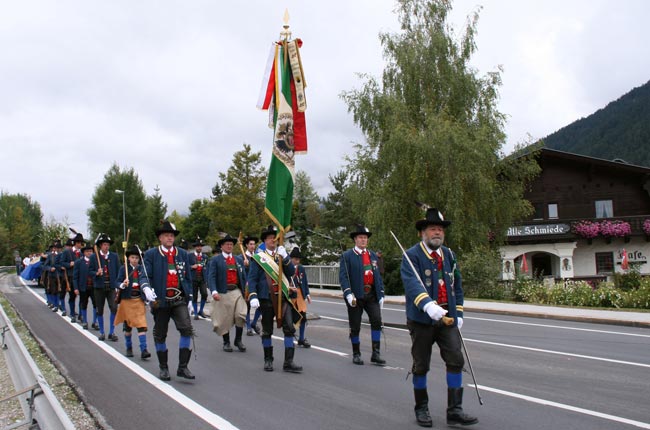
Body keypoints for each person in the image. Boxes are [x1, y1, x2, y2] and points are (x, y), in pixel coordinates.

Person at [401, 208, 478, 427]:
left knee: (456, 360)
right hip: (422, 319)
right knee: (421, 365)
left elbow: (457, 285)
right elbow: (412, 284)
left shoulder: (450, 255)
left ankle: (455, 411)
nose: (437, 233)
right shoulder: (411, 255)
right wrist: (427, 305)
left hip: (448, 320)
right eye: (433, 228)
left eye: (440, 229)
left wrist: (459, 312)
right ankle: (421, 408)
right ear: (422, 233)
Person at [142, 220, 195, 381]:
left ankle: (183, 367)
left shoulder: (183, 254)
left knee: (187, 329)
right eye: (166, 235)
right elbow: (145, 275)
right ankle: (163, 368)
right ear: (160, 238)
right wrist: (146, 288)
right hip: (161, 300)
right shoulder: (151, 254)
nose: (170, 238)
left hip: (179, 298)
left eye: (171, 235)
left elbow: (187, 277)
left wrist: (191, 298)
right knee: (160, 334)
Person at [248, 225, 302, 373]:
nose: (274, 240)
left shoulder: (281, 255)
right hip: (266, 298)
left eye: (275, 237)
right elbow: (252, 279)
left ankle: (288, 362)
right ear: (265, 240)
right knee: (267, 330)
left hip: (283, 298)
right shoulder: (258, 258)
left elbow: (291, 272)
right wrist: (253, 295)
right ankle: (268, 360)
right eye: (271, 237)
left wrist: (285, 258)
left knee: (289, 329)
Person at [339, 224, 386, 366]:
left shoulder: (372, 255)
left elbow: (377, 275)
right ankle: (356, 353)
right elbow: (343, 277)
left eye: (365, 238)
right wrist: (348, 293)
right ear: (355, 239)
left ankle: (376, 353)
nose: (363, 240)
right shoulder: (347, 256)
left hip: (371, 294)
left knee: (377, 321)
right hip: (355, 295)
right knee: (355, 326)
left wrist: (381, 292)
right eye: (361, 237)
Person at [207, 234, 247, 352]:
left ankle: (238, 340)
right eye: (227, 244)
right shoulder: (215, 260)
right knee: (225, 319)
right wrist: (214, 291)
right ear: (221, 246)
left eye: (231, 244)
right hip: (222, 292)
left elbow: (244, 276)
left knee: (241, 315)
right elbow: (211, 276)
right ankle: (226, 342)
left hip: (236, 291)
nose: (230, 246)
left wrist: (247, 289)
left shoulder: (238, 260)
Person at [114, 245, 151, 360]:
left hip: (138, 300)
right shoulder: (123, 268)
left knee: (141, 325)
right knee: (128, 327)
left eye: (136, 257)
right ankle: (129, 347)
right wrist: (123, 284)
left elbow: (145, 280)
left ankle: (144, 349)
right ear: (128, 258)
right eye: (132, 257)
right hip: (126, 300)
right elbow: (116, 282)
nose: (134, 260)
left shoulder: (141, 269)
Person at [90, 233, 121, 342]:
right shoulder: (94, 257)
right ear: (100, 246)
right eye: (104, 244)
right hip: (99, 287)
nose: (106, 246)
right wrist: (96, 273)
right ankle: (102, 332)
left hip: (111, 286)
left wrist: (118, 285)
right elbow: (90, 271)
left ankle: (112, 332)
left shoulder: (114, 256)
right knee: (100, 309)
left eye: (108, 244)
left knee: (114, 307)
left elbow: (119, 271)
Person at [59, 233, 85, 323]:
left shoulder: (83, 253)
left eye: (81, 243)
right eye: (78, 243)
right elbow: (62, 262)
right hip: (71, 276)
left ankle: (81, 314)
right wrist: (69, 264)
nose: (80, 245)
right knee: (72, 296)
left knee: (83, 297)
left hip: (82, 278)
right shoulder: (67, 252)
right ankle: (73, 314)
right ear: (75, 243)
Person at [290, 247, 311, 348]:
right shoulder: (287, 267)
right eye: (295, 259)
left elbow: (305, 282)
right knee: (290, 317)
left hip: (300, 294)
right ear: (291, 258)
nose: (297, 261)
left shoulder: (301, 268)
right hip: (290, 294)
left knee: (303, 317)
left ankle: (301, 338)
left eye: (298, 259)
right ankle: (290, 336)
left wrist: (307, 294)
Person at [242, 235, 261, 336]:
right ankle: (248, 327)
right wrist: (244, 266)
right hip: (247, 283)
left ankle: (254, 323)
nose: (253, 246)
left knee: (261, 304)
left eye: (254, 244)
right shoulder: (241, 257)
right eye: (251, 244)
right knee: (248, 306)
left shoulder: (257, 256)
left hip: (258, 283)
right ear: (246, 245)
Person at [72, 244, 95, 329]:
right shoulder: (79, 262)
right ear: (84, 253)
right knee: (83, 304)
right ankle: (85, 321)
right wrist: (76, 288)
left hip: (94, 287)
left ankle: (95, 322)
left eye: (91, 251)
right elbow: (75, 276)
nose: (89, 253)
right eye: (87, 251)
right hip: (83, 287)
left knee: (96, 304)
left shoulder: (96, 261)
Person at [188, 237, 209, 319]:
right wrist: (192, 267)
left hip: (202, 278)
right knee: (194, 296)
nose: (199, 248)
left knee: (204, 294)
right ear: (195, 247)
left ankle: (201, 310)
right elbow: (185, 266)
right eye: (197, 246)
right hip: (193, 278)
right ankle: (196, 313)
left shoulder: (205, 257)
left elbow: (207, 267)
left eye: (200, 246)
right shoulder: (190, 256)